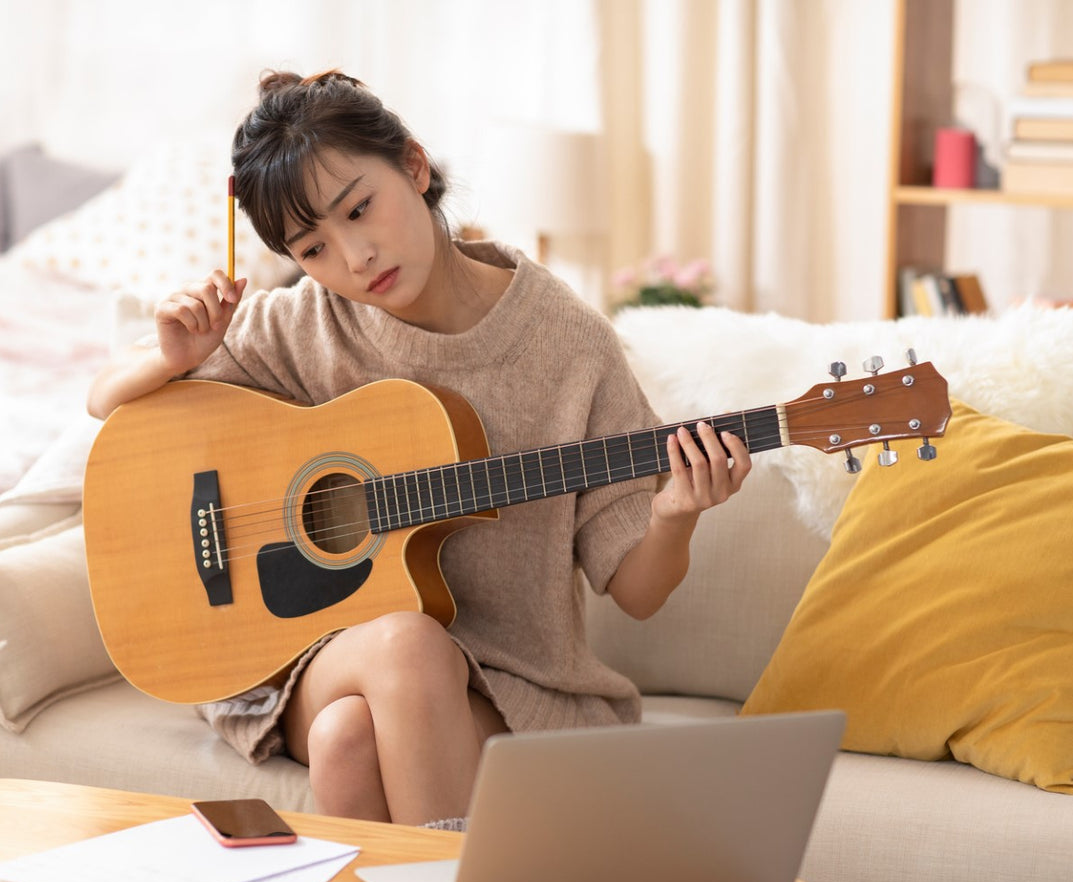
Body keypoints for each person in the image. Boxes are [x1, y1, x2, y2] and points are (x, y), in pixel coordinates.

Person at [87, 70, 750, 828]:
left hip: (512, 685)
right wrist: (170, 357)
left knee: (345, 740)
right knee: (405, 643)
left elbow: (637, 590)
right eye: (314, 248)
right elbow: (107, 406)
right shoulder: (305, 322)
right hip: (322, 659)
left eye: (359, 209)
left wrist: (675, 514)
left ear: (413, 165)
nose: (355, 258)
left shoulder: (566, 342)